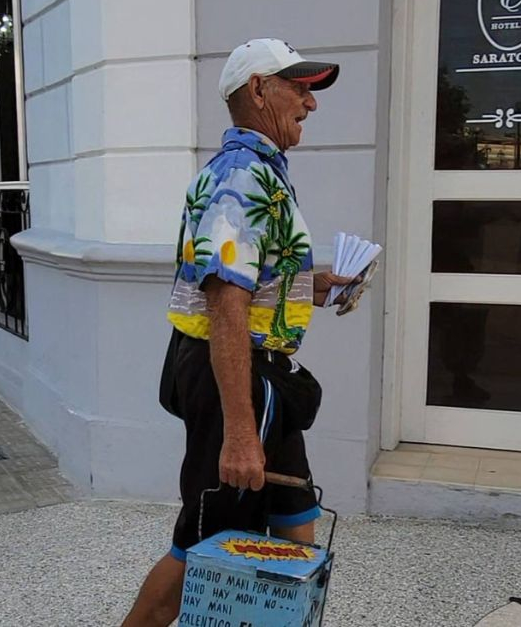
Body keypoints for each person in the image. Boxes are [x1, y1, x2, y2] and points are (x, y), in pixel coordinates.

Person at [122, 39, 354, 626]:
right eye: (298, 88)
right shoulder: (243, 178)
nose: (311, 102)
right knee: (199, 547)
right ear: (256, 90)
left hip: (262, 379)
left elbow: (248, 286)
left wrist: (310, 284)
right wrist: (240, 435)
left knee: (296, 524)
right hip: (237, 380)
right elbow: (225, 302)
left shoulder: (257, 172)